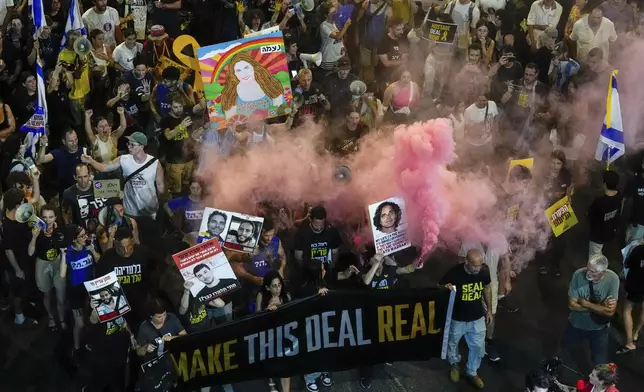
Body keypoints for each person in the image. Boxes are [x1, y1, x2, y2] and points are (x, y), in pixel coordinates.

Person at [359, 252, 416, 388]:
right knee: (371, 349)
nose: (379, 258)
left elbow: (408, 269)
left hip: (388, 315)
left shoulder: (390, 270)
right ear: (369, 260)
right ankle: (367, 375)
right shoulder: (364, 273)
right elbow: (367, 281)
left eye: (381, 257)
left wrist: (417, 262)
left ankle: (385, 357)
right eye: (375, 257)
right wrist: (376, 264)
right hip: (371, 317)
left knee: (388, 341)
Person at [439, 248, 492, 390]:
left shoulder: (484, 271)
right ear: (467, 262)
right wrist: (446, 287)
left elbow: (487, 288)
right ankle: (454, 364)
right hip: (457, 318)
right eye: (475, 265)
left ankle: (472, 371)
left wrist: (489, 311)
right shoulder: (456, 272)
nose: (478, 268)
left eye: (480, 265)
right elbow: (440, 284)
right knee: (452, 343)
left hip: (477, 317)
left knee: (478, 346)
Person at [83, 132, 165, 218]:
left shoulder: (155, 163)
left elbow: (161, 188)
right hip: (130, 210)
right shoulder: (123, 159)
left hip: (149, 210)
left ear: (142, 146)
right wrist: (91, 161)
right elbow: (104, 168)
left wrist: (160, 206)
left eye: (132, 145)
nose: (129, 147)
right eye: (128, 143)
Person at [561, 255, 619, 366]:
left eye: (592, 271)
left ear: (602, 273)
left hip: (599, 328)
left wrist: (584, 303)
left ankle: (597, 383)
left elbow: (610, 312)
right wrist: (601, 307)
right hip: (576, 324)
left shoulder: (613, 279)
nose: (587, 272)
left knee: (599, 361)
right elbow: (572, 305)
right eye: (588, 268)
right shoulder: (578, 275)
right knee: (563, 351)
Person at [96, 227, 157, 327]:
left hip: (140, 302)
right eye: (121, 248)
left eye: (128, 246)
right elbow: (99, 278)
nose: (125, 251)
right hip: (118, 303)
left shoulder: (144, 252)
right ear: (115, 244)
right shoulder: (108, 257)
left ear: (132, 241)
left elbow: (158, 268)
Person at [59, 224, 101, 360]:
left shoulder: (89, 246)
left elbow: (99, 261)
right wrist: (64, 256)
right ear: (73, 239)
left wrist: (93, 250)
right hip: (76, 290)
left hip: (90, 287)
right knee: (80, 323)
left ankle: (90, 341)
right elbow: (62, 275)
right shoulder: (69, 252)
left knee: (93, 320)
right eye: (82, 236)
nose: (85, 237)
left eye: (85, 234)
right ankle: (76, 347)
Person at [2, 188, 38, 326]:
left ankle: (26, 303)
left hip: (26, 258)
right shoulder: (8, 226)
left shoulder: (17, 214)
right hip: (17, 263)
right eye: (23, 202)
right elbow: (8, 251)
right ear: (17, 206)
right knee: (19, 291)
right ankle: (19, 317)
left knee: (25, 287)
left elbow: (34, 199)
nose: (25, 203)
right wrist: (17, 269)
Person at [28, 204, 65, 331]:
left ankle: (62, 318)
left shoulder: (60, 230)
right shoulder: (36, 231)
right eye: (44, 217)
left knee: (61, 295)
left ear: (55, 217)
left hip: (58, 262)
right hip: (42, 263)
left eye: (51, 217)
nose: (48, 220)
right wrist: (34, 237)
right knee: (47, 294)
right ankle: (51, 318)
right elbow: (30, 252)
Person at [135, 300, 186, 392]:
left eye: (164, 315)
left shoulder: (171, 318)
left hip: (176, 361)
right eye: (159, 317)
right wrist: (146, 347)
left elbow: (185, 337)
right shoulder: (144, 328)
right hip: (159, 367)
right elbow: (138, 351)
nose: (163, 318)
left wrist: (173, 338)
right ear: (151, 316)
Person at [256, 270, 293, 392]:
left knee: (285, 364)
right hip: (267, 335)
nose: (278, 289)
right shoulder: (261, 296)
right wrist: (267, 310)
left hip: (284, 334)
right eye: (274, 286)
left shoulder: (286, 296)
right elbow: (256, 318)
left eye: (279, 285)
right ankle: (271, 381)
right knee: (270, 361)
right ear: (267, 287)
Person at [539, 150, 573, 276]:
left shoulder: (566, 175)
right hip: (544, 210)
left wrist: (569, 197)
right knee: (543, 240)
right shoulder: (542, 176)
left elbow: (569, 189)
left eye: (558, 163)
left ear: (562, 165)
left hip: (560, 211)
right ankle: (543, 264)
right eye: (553, 162)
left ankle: (556, 266)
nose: (554, 166)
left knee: (560, 243)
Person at [616, 241, 644, 354]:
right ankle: (636, 332)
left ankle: (629, 342)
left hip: (635, 285)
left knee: (627, 310)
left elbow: (627, 264)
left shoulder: (639, 249)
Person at [587, 170, 621, 258]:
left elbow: (589, 215)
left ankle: (596, 270)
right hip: (610, 233)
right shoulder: (619, 196)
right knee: (603, 252)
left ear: (604, 184)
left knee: (594, 257)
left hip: (597, 236)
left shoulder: (599, 202)